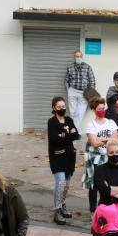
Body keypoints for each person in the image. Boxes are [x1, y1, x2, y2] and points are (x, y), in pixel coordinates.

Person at [48, 96, 79, 225]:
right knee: (60, 183)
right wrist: (68, 135)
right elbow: (55, 139)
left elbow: (76, 135)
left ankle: (62, 205)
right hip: (57, 157)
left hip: (69, 158)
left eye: (63, 106)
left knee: (66, 185)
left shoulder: (69, 120)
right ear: (54, 108)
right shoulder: (52, 122)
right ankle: (56, 211)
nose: (62, 109)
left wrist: (64, 135)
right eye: (59, 107)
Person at [83, 98, 118, 212]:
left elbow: (116, 139)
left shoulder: (110, 122)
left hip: (108, 158)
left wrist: (102, 139)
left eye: (103, 108)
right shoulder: (91, 125)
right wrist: (108, 139)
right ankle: (93, 211)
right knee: (94, 185)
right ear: (94, 110)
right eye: (99, 109)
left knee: (107, 185)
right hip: (94, 159)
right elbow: (94, 143)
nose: (102, 110)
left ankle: (103, 209)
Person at [65, 50, 96, 130]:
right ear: (74, 57)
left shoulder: (88, 67)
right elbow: (66, 80)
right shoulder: (70, 67)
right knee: (73, 113)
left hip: (84, 92)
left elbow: (92, 81)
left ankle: (75, 131)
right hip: (72, 91)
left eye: (80, 56)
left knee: (80, 113)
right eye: (77, 56)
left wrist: (91, 93)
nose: (79, 58)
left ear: (82, 57)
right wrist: (68, 90)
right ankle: (76, 132)